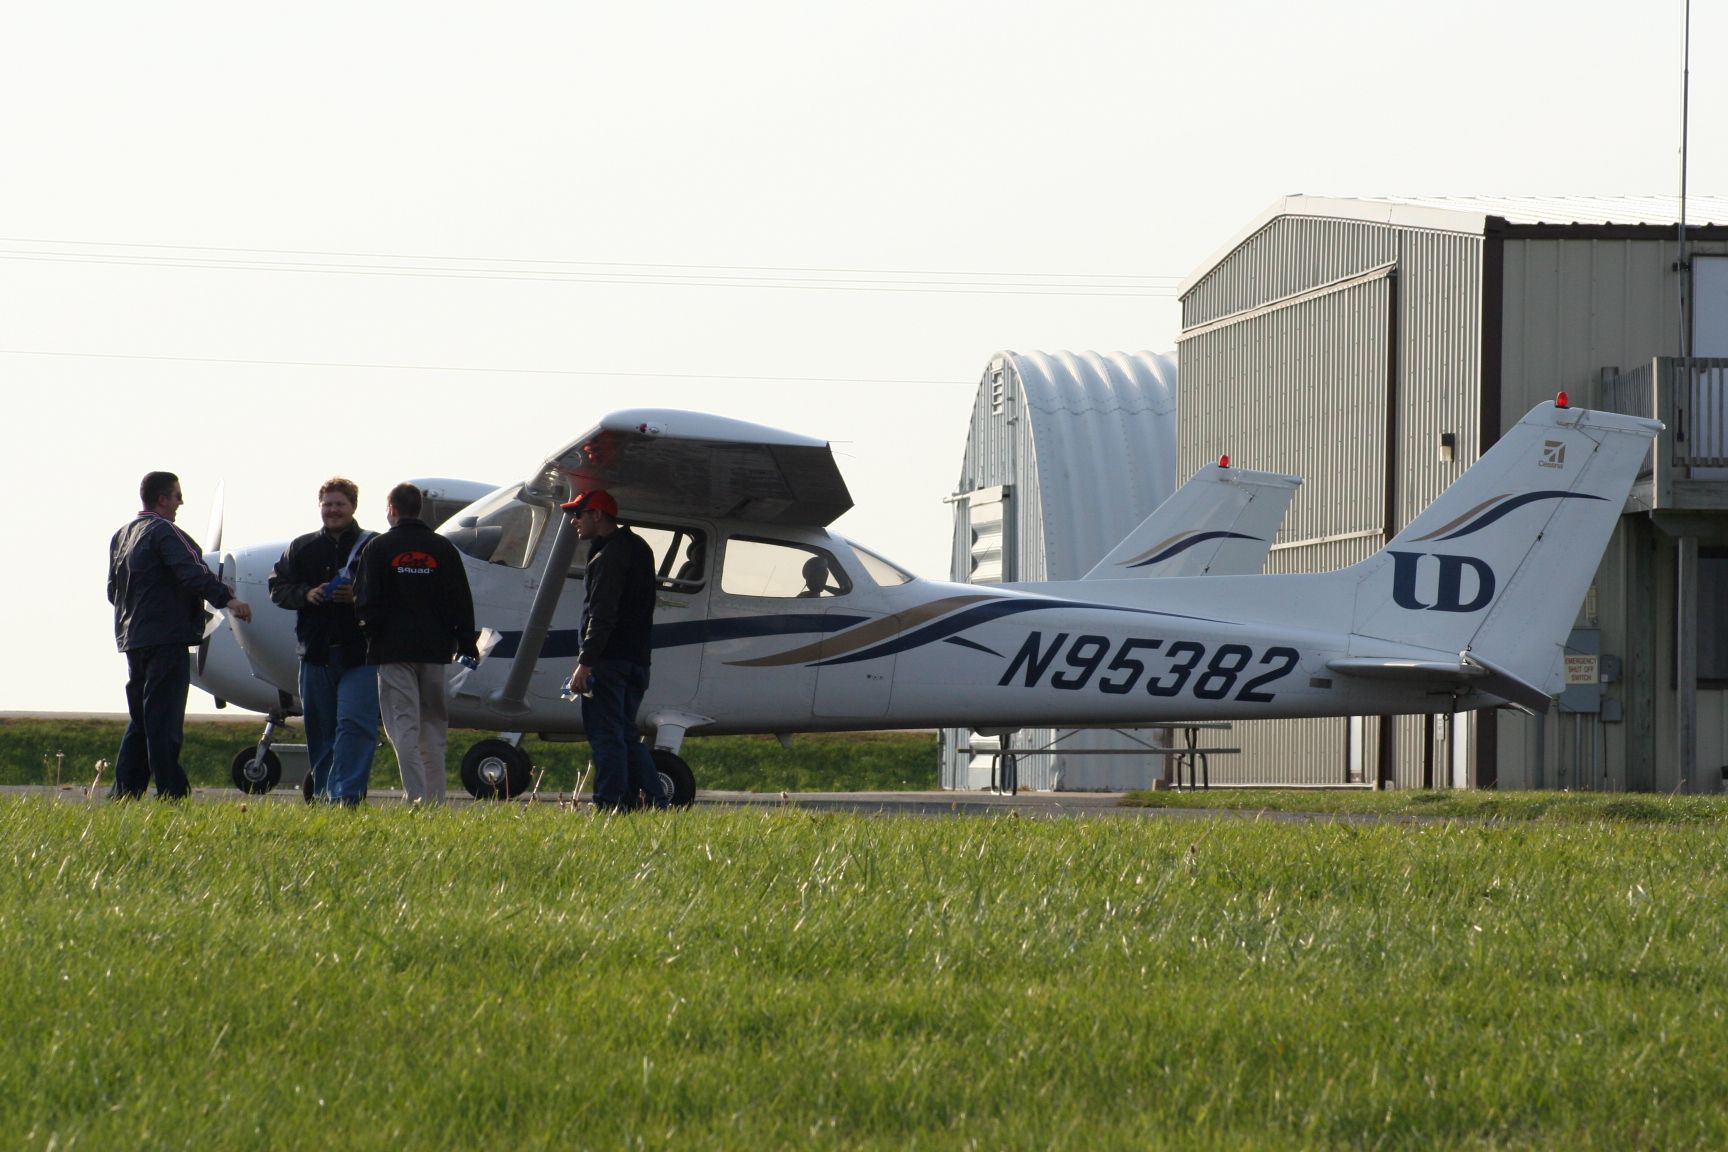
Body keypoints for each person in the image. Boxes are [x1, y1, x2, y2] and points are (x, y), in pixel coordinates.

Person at [108, 471, 252, 799]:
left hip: (133, 639)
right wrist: (228, 599)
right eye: (176, 496)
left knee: (142, 719)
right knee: (164, 720)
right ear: (162, 499)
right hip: (166, 639)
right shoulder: (165, 532)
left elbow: (112, 591)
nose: (180, 502)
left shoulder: (121, 535)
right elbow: (192, 572)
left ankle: (124, 792)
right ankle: (172, 792)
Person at [355, 482, 478, 803]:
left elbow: (365, 601)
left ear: (391, 510)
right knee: (434, 726)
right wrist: (466, 643)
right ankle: (435, 799)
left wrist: (371, 634)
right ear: (418, 509)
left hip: (393, 651)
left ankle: (417, 798)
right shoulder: (443, 549)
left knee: (404, 726)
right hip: (437, 651)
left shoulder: (377, 549)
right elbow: (461, 601)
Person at [268, 477, 380, 805]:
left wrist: (356, 597)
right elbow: (277, 588)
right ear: (320, 507)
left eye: (339, 504)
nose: (333, 510)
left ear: (353, 507)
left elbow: (392, 595)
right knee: (320, 732)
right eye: (327, 504)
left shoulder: (374, 546)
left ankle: (346, 798)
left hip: (360, 655)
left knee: (356, 727)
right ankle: (322, 795)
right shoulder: (301, 547)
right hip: (315, 654)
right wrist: (307, 593)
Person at [561, 489, 668, 811]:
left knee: (606, 736)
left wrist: (585, 662)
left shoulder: (608, 556)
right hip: (638, 660)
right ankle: (655, 800)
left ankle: (609, 805)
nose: (573, 521)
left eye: (578, 514)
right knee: (625, 735)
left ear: (597, 515)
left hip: (609, 662)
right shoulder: (637, 547)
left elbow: (602, 614)